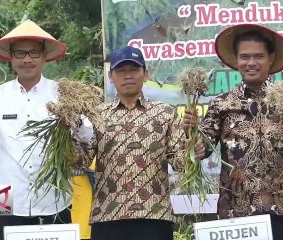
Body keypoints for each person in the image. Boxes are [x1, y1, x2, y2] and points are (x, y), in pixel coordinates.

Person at [182, 24, 283, 239]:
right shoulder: (222, 104)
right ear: (236, 60)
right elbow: (203, 149)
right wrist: (192, 136)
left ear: (271, 58)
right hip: (236, 214)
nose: (251, 63)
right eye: (244, 57)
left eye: (258, 56)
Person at [74, 46, 205, 240]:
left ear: (145, 74)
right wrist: (71, 131)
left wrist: (192, 151)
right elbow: (81, 162)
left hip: (154, 217)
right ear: (111, 77)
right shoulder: (97, 116)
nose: (128, 76)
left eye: (134, 70)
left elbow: (180, 164)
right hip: (108, 217)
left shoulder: (165, 113)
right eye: (121, 71)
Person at [0, 19, 82, 240]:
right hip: (2, 193)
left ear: (43, 56)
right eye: (20, 53)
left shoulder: (63, 93)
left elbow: (87, 136)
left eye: (33, 53)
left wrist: (79, 126)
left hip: (55, 190)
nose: (27, 59)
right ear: (11, 58)